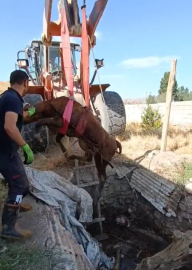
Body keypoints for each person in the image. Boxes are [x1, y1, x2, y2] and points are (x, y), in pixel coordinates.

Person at [0, 70, 36, 239]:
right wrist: (26, 146)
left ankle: (16, 204)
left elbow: (16, 116)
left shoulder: (9, 97)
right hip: (5, 151)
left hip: (7, 150)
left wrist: (31, 113)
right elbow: (9, 126)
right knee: (19, 186)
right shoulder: (13, 99)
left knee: (23, 185)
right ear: (26, 82)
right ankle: (9, 227)